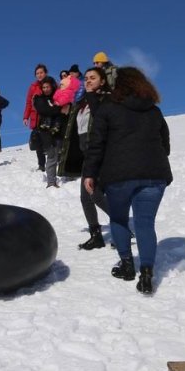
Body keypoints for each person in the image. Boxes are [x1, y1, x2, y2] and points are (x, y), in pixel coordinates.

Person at [83, 67, 172, 295]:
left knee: (119, 218)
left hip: (119, 176)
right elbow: (165, 146)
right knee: (145, 224)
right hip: (154, 175)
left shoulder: (107, 109)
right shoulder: (154, 112)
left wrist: (90, 173)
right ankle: (147, 273)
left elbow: (97, 145)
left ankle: (126, 265)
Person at [72, 67, 112, 250]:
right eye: (86, 78)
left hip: (99, 152)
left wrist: (91, 96)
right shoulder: (83, 102)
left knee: (94, 193)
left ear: (102, 81)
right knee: (85, 197)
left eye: (93, 78)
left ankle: (122, 226)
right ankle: (96, 235)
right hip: (86, 152)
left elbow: (100, 117)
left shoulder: (105, 99)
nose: (88, 80)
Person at [32, 77, 65, 188]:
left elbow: (64, 109)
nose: (46, 89)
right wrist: (58, 109)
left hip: (59, 129)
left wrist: (58, 110)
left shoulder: (58, 97)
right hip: (45, 131)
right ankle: (51, 181)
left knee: (60, 153)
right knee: (51, 155)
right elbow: (44, 110)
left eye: (48, 87)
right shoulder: (39, 98)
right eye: (44, 87)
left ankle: (65, 174)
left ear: (52, 87)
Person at [23, 64, 48, 171]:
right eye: (37, 73)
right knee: (38, 142)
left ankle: (53, 163)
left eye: (41, 72)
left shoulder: (51, 83)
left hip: (48, 115)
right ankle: (41, 165)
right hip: (36, 116)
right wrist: (25, 117)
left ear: (45, 73)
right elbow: (28, 103)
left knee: (50, 140)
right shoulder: (32, 87)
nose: (39, 75)